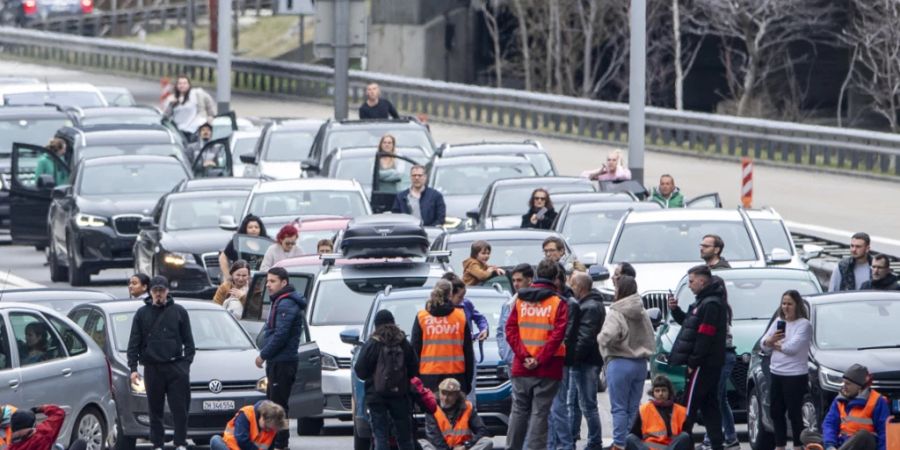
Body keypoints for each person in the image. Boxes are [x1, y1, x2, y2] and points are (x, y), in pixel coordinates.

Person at [505, 259, 569, 450]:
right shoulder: (558, 303)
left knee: (518, 410)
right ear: (556, 278)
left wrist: (525, 356)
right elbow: (557, 336)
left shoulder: (520, 300)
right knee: (540, 413)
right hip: (548, 367)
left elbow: (510, 331)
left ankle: (512, 447)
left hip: (521, 366)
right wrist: (539, 359)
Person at [126, 276, 195, 450]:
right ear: (150, 292)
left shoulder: (179, 311)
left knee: (180, 408)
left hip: (175, 366)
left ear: (167, 291)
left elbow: (189, 342)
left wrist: (185, 365)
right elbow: (134, 342)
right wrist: (133, 368)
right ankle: (157, 443)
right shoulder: (142, 314)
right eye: (155, 291)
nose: (158, 294)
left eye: (161, 291)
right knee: (155, 409)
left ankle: (180, 442)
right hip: (152, 367)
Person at [666, 265, 728, 450]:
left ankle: (681, 444)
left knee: (688, 405)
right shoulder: (703, 302)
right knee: (710, 405)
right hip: (706, 363)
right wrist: (676, 311)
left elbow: (705, 336)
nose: (690, 286)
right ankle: (717, 443)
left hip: (704, 364)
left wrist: (694, 361)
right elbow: (690, 324)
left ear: (702, 281)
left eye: (692, 281)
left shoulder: (711, 304)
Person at [598, 275, 656, 450]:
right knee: (633, 407)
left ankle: (619, 443)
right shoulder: (642, 311)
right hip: (639, 364)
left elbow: (608, 335)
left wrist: (600, 339)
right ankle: (632, 441)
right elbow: (651, 335)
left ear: (620, 291)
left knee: (619, 407)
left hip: (619, 362)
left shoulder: (617, 312)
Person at [254, 267, 307, 450]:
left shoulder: (285, 304)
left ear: (283, 283)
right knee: (273, 404)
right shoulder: (280, 301)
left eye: (272, 281)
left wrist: (263, 355)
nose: (268, 285)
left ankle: (280, 445)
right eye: (267, 281)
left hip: (282, 362)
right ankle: (274, 443)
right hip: (279, 361)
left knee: (278, 407)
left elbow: (281, 335)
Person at [354, 309, 419, 450]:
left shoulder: (372, 343)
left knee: (380, 436)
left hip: (376, 396)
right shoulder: (403, 342)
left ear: (376, 325)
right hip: (400, 395)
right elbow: (414, 368)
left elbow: (360, 370)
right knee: (405, 437)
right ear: (393, 322)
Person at [760, 290, 813, 450]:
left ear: (797, 305)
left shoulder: (804, 324)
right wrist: (769, 341)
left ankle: (797, 445)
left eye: (790, 304)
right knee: (776, 411)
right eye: (784, 303)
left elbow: (792, 348)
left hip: (795, 374)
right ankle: (780, 445)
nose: (786, 307)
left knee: (794, 413)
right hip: (776, 372)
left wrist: (773, 344)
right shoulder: (778, 322)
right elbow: (763, 343)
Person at [800, 364, 889, 450]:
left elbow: (884, 432)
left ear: (859, 386)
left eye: (848, 384)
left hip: (862, 443)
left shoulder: (877, 401)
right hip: (841, 441)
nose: (844, 387)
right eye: (844, 383)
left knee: (863, 435)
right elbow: (829, 424)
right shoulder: (839, 399)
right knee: (806, 434)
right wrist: (830, 445)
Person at [411, 280, 474, 394]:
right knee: (456, 411)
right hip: (456, 375)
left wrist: (416, 382)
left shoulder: (422, 317)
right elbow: (468, 352)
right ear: (450, 295)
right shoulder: (460, 316)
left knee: (433, 411)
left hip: (428, 377)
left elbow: (415, 351)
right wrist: (468, 381)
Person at [567, 272, 605, 450]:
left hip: (586, 362)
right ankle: (571, 438)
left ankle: (594, 442)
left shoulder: (589, 307)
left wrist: (572, 358)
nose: (570, 287)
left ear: (579, 287)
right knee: (574, 403)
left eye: (572, 284)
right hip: (583, 361)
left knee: (587, 405)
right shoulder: (589, 304)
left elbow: (585, 337)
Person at [700, 276, 738, 450]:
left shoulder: (718, 307)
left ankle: (710, 438)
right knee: (721, 399)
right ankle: (731, 437)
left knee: (714, 398)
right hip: (724, 356)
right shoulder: (722, 306)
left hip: (723, 356)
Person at [443, 273, 489, 405]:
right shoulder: (438, 311)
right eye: (460, 297)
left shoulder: (466, 304)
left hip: (467, 354)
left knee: (469, 395)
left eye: (464, 296)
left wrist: (483, 329)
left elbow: (479, 317)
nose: (462, 300)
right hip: (448, 356)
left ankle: (468, 422)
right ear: (450, 294)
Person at [420, 378, 493, 450]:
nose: (445, 398)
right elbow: (434, 437)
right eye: (443, 393)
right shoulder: (432, 408)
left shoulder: (467, 407)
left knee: (487, 441)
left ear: (457, 395)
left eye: (450, 395)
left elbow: (483, 431)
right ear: (439, 392)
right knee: (421, 443)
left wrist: (466, 445)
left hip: (462, 447)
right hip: (440, 448)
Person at [627, 375, 691, 450]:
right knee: (630, 438)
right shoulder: (644, 409)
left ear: (669, 392)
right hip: (650, 447)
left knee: (685, 436)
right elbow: (635, 435)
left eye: (664, 390)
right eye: (657, 391)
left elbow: (687, 438)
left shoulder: (680, 411)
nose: (660, 394)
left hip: (671, 446)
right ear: (653, 393)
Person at [211, 400, 287, 450]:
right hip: (231, 448)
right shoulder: (247, 414)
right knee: (215, 440)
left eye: (271, 429)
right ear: (262, 417)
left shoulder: (272, 427)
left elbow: (270, 447)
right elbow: (242, 441)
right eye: (267, 427)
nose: (268, 431)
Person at [498, 263, 533, 366]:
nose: (515, 284)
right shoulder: (508, 305)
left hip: (529, 360)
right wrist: (504, 352)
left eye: (519, 280)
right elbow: (501, 330)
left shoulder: (536, 304)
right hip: (511, 361)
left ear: (529, 280)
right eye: (513, 280)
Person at [7, 405, 85, 450]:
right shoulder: (42, 434)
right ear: (33, 426)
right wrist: (39, 409)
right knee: (80, 443)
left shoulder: (11, 447)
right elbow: (58, 413)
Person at [219, 214, 269, 279]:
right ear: (245, 229)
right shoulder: (237, 241)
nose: (253, 229)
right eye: (250, 227)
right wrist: (227, 276)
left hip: (261, 279)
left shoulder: (266, 244)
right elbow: (223, 257)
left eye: (256, 227)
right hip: (240, 280)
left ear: (260, 229)